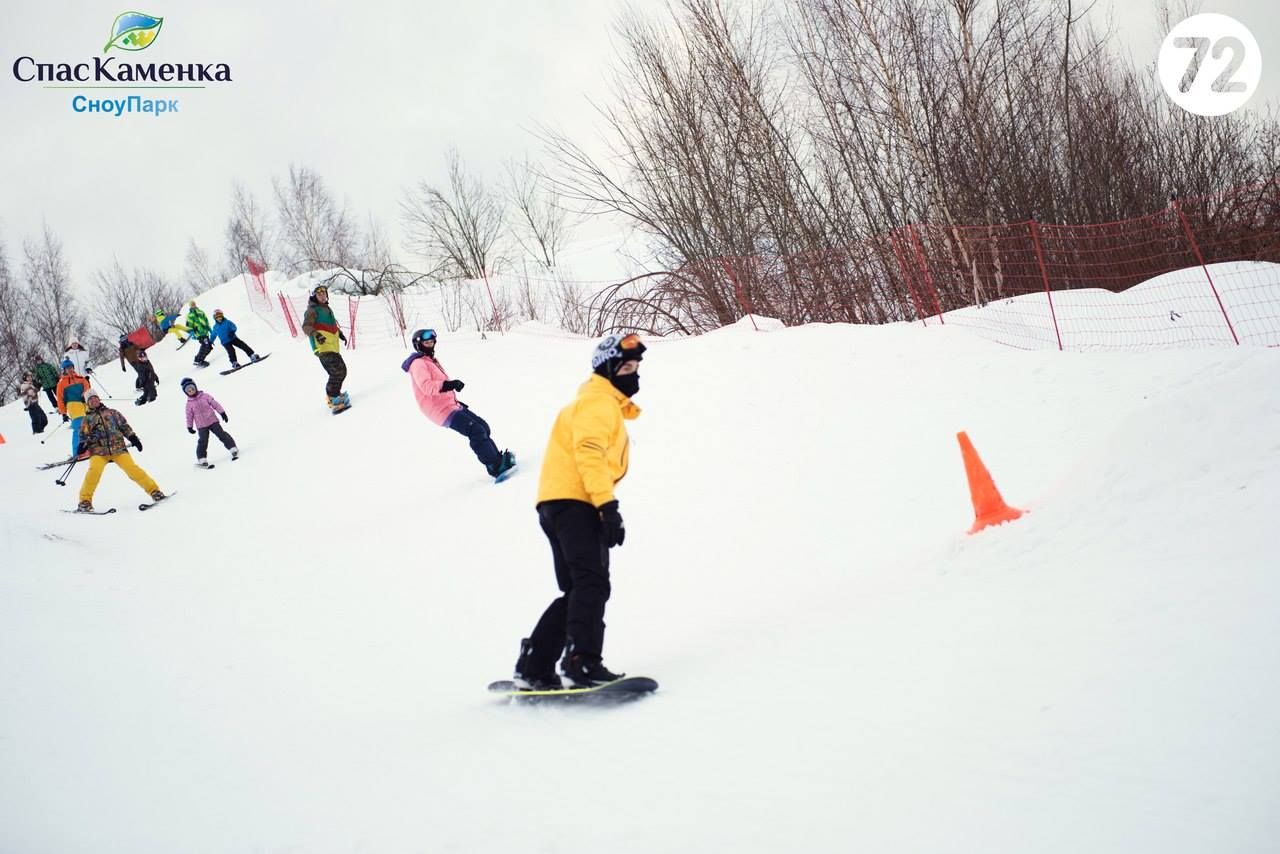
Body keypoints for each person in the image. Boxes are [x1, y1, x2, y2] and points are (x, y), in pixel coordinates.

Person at [512, 333, 646, 690]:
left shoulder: (590, 403)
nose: (634, 375)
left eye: (636, 368)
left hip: (556, 503)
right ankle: (582, 661)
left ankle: (535, 665)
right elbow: (589, 453)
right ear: (608, 370)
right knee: (592, 583)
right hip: (577, 503)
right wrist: (607, 506)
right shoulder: (599, 404)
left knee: (577, 588)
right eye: (627, 368)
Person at [401, 328, 515, 480]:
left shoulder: (429, 361)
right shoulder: (418, 363)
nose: (430, 345)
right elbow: (426, 387)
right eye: (426, 343)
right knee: (475, 431)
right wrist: (450, 384)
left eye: (432, 342)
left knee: (483, 427)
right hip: (440, 410)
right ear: (418, 345)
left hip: (450, 405)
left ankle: (497, 459)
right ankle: (494, 466)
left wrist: (452, 389)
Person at [74, 390, 167, 513]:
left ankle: (155, 491)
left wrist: (133, 438)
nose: (94, 401)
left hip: (118, 449)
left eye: (95, 398)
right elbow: (83, 435)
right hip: (99, 451)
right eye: (90, 400)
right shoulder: (87, 419)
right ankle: (84, 502)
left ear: (99, 399)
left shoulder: (113, 413)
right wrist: (82, 445)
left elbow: (124, 426)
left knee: (133, 469)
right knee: (93, 472)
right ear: (87, 403)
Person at [301, 285, 349, 410]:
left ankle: (335, 394)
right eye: (319, 294)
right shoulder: (312, 310)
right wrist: (316, 334)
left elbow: (331, 325)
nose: (322, 296)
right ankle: (332, 398)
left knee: (342, 370)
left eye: (324, 293)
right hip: (322, 347)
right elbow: (306, 326)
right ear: (314, 296)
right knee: (337, 372)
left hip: (332, 346)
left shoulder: (326, 308)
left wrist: (339, 334)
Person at [181, 377, 239, 466]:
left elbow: (215, 404)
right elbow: (189, 416)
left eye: (192, 389)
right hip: (201, 426)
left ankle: (233, 448)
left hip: (213, 421)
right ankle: (202, 459)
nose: (191, 391)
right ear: (186, 393)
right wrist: (189, 426)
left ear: (195, 387)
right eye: (189, 391)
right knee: (203, 441)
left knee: (222, 434)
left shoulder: (205, 396)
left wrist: (222, 413)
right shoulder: (189, 404)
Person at [55, 360, 93, 459]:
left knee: (89, 427)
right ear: (64, 370)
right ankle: (77, 452)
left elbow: (87, 388)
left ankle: (90, 449)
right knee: (79, 428)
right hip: (73, 406)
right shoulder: (61, 383)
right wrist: (63, 413)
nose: (70, 369)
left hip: (84, 405)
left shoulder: (81, 379)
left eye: (71, 367)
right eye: (67, 368)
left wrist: (85, 394)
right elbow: (60, 399)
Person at [185, 300, 213, 367]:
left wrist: (209, 328)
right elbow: (189, 325)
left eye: (194, 304)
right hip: (199, 333)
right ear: (190, 306)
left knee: (209, 347)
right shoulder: (190, 315)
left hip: (205, 332)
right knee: (205, 345)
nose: (193, 305)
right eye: (192, 305)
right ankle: (198, 360)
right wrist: (191, 333)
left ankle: (200, 359)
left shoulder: (200, 312)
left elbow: (206, 320)